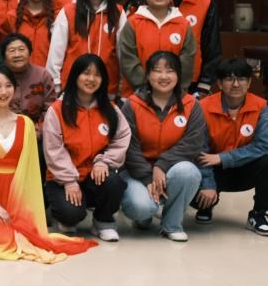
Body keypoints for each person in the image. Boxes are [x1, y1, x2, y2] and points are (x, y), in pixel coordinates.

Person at [0, 68, 95, 263]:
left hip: (17, 195)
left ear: (14, 89)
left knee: (22, 237)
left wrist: (24, 206)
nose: (3, 92)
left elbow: (30, 171)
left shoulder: (26, 124)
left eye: (8, 86)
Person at [119, 51, 207, 241]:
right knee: (142, 207)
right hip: (136, 172)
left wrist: (161, 165)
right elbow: (129, 147)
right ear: (148, 75)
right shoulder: (132, 104)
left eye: (170, 71)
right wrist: (147, 177)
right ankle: (145, 215)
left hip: (171, 169)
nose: (164, 76)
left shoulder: (191, 104)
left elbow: (192, 144)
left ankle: (172, 225)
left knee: (189, 172)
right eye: (157, 70)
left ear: (178, 75)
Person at [42, 54, 131, 241]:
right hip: (62, 179)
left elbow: (122, 137)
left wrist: (104, 161)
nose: (91, 79)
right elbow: (54, 150)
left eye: (97, 75)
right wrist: (69, 180)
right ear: (75, 76)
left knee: (114, 182)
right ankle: (66, 216)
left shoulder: (110, 109)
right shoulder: (57, 110)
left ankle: (103, 221)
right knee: (70, 214)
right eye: (86, 73)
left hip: (95, 175)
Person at [196, 58, 268, 234]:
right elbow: (200, 150)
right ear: (220, 84)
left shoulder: (262, 107)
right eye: (229, 79)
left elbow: (262, 146)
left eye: (242, 79)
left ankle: (258, 213)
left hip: (245, 168)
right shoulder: (203, 107)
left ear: (249, 82)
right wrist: (208, 184)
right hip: (212, 169)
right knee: (191, 173)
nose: (236, 84)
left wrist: (223, 158)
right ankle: (206, 205)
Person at [47, 0, 123, 93]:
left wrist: (123, 84)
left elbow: (123, 53)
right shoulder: (69, 11)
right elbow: (56, 52)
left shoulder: (117, 12)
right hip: (72, 86)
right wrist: (56, 84)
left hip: (107, 87)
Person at [118, 0, 196, 94]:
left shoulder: (183, 25)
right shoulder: (133, 23)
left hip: (174, 95)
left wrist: (172, 88)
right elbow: (128, 59)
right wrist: (148, 87)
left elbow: (187, 61)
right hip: (138, 94)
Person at [167, 0, 220, 94]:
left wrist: (205, 82)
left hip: (193, 80)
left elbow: (212, 46)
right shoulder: (158, 0)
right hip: (158, 75)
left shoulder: (206, 3)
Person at [0, 33, 57, 127]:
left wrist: (36, 130)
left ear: (30, 52)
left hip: (35, 131)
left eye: (21, 49)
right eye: (11, 51)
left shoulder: (43, 75)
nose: (17, 55)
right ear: (3, 55)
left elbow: (50, 109)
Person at [2, 0, 53, 67]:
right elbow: (3, 49)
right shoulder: (12, 17)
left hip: (48, 75)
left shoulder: (57, 17)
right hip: (17, 74)